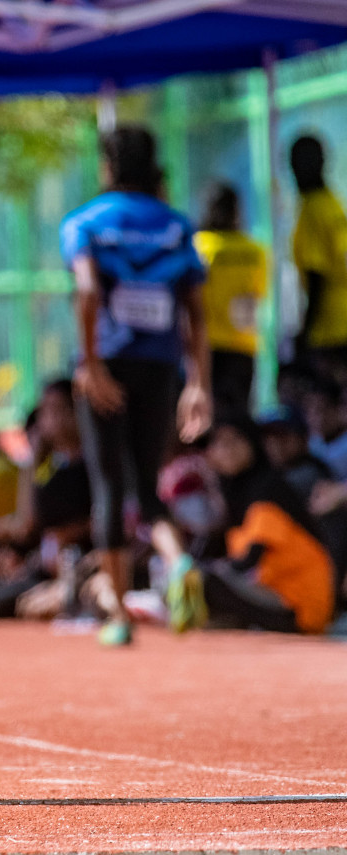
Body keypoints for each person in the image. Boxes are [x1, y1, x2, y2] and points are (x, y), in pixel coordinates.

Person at [60, 124, 211, 647]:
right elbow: (197, 312)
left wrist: (91, 364)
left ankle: (119, 615)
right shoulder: (176, 227)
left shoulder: (87, 223)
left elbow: (85, 291)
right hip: (161, 366)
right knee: (148, 483)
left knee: (108, 485)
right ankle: (180, 558)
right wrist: (199, 384)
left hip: (109, 364)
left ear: (108, 167)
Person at [158, 416, 334, 635]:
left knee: (202, 580)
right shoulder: (232, 494)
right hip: (273, 592)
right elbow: (210, 546)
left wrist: (203, 572)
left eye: (235, 441)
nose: (227, 450)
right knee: (186, 577)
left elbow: (249, 560)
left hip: (300, 605)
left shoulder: (267, 489)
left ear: (253, 444)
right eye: (220, 443)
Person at [0, 380, 94, 621]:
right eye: (44, 410)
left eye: (56, 409)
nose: (46, 419)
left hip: (77, 566)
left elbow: (26, 524)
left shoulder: (94, 467)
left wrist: (70, 533)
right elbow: (28, 526)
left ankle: (59, 598)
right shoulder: (52, 469)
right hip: (37, 566)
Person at [193, 183, 266, 416]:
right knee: (238, 416)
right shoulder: (255, 251)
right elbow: (260, 293)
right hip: (244, 345)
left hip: (206, 346)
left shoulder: (199, 246)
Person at [290, 135, 347, 385]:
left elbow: (317, 276)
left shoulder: (312, 209)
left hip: (329, 329)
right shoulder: (332, 203)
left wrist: (306, 333)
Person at [302, 374, 347, 479]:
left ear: (339, 409)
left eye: (321, 410)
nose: (315, 418)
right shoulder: (312, 445)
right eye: (309, 411)